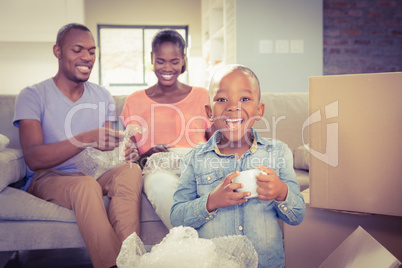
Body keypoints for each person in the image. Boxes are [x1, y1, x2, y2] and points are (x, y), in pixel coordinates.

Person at [13, 23, 142, 268]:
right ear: (58, 51)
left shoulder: (102, 96)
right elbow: (34, 158)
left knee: (130, 171)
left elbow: (108, 151)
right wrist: (84, 138)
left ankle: (130, 262)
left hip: (94, 173)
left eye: (92, 51)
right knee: (85, 185)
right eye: (77, 50)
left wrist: (124, 152)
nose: (87, 57)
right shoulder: (32, 95)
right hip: (49, 177)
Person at [170, 64, 305, 268]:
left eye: (244, 99)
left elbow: (297, 216)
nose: (233, 107)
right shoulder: (194, 158)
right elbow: (177, 216)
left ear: (259, 110)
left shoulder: (278, 152)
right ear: (209, 112)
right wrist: (211, 201)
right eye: (222, 99)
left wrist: (281, 192)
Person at [120, 29, 214, 229]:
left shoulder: (202, 95)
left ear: (183, 60)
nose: (167, 67)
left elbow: (217, 142)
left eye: (174, 61)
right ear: (152, 59)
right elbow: (131, 159)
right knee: (160, 186)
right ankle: (194, 244)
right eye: (161, 61)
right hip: (158, 167)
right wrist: (149, 153)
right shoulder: (134, 101)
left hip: (198, 164)